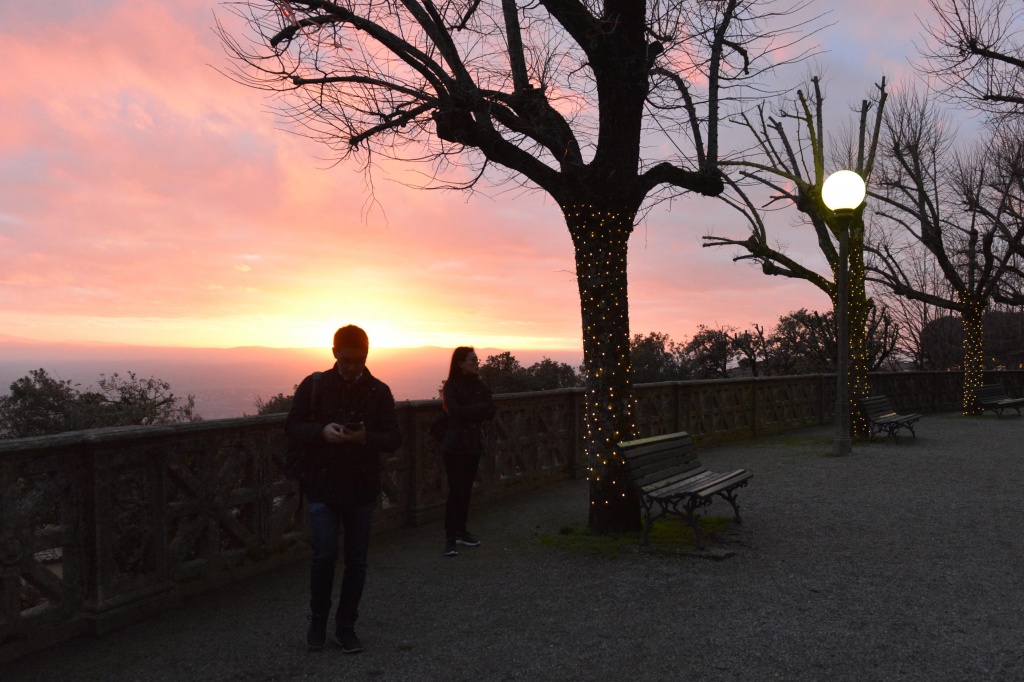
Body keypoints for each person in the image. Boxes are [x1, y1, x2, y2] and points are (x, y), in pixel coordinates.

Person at [286, 325, 401, 653]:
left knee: (357, 562)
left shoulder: (379, 392)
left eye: (359, 360)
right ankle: (318, 623)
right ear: (335, 353)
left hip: (361, 489)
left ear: (367, 355)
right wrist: (322, 432)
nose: (353, 367)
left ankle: (346, 626)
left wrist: (365, 438)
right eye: (348, 360)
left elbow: (394, 438)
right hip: (323, 487)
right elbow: (292, 426)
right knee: (323, 559)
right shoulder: (314, 385)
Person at [440, 347, 496, 557]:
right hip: (454, 446)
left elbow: (491, 409)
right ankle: (450, 537)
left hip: (472, 445)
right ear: (460, 363)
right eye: (472, 360)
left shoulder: (479, 385)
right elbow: (454, 413)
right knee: (456, 491)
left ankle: (461, 532)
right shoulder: (451, 386)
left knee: (466, 490)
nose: (476, 363)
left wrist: (469, 411)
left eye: (476, 359)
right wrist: (477, 409)